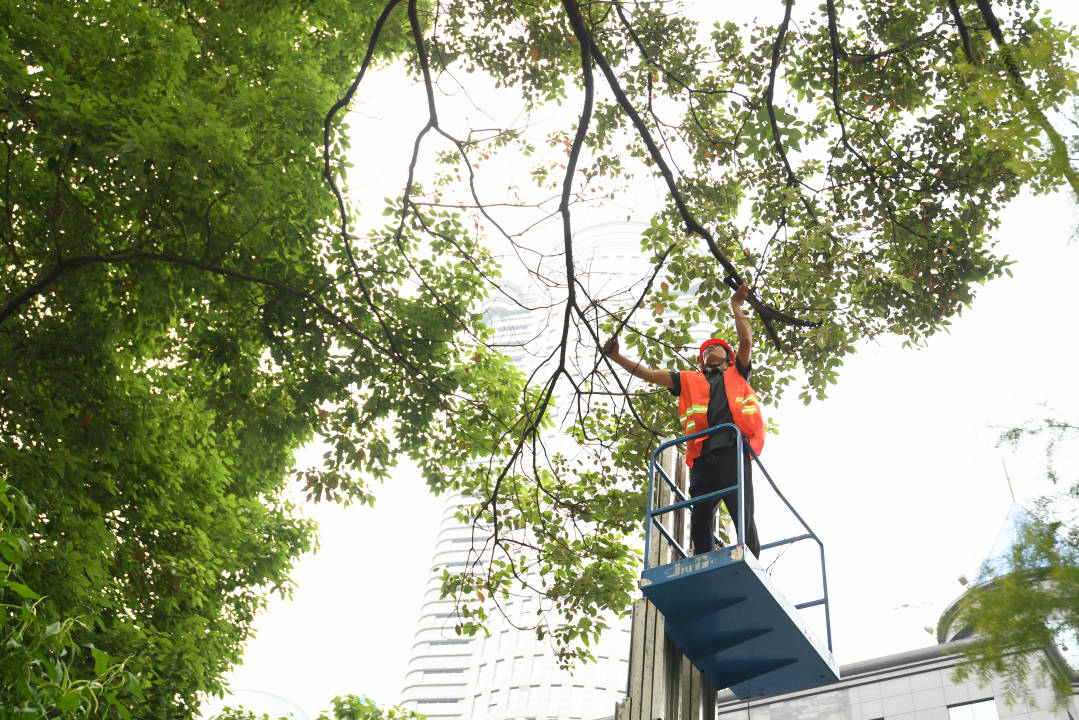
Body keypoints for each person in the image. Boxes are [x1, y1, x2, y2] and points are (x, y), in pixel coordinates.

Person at [602, 283, 764, 557]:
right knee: (700, 519)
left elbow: (746, 340)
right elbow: (650, 374)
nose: (712, 347)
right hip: (701, 457)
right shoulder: (689, 379)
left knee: (742, 514)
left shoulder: (738, 373)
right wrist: (617, 357)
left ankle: (751, 560)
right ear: (703, 361)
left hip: (731, 453)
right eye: (707, 347)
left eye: (718, 346)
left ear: (728, 359)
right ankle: (704, 561)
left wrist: (735, 306)